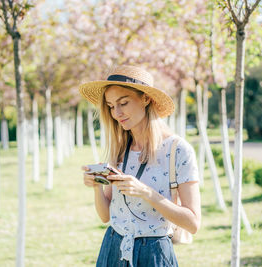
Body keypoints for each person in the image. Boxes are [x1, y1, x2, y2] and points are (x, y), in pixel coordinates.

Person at [80, 65, 201, 267]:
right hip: (112, 248)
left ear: (146, 99)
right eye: (110, 106)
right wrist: (97, 186)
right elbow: (105, 216)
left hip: (153, 254)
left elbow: (193, 223)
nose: (116, 113)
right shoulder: (119, 148)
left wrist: (146, 192)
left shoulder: (178, 150)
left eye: (123, 103)